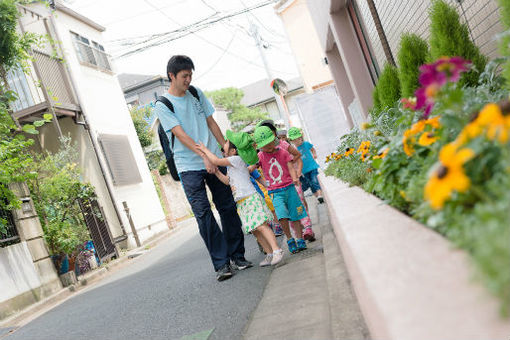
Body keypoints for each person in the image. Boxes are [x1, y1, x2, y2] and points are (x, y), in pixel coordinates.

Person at [155, 55, 251, 281]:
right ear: (172, 76)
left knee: (227, 206)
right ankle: (221, 264)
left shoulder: (196, 93)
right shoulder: (163, 105)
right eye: (184, 76)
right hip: (188, 166)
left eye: (190, 75)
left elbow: (211, 122)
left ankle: (237, 255)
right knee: (203, 214)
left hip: (215, 158)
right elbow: (180, 134)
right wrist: (203, 156)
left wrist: (223, 146)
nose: (188, 79)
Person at [196, 131, 284, 267]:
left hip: (250, 198)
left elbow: (215, 161)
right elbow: (227, 181)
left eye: (226, 144)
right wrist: (218, 172)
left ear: (233, 150)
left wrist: (204, 151)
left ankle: (277, 250)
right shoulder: (232, 165)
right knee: (255, 229)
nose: (223, 144)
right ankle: (269, 253)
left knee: (262, 226)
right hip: (242, 202)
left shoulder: (235, 160)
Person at [253, 125, 308, 254]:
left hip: (289, 188)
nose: (268, 147)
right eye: (264, 146)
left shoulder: (282, 151)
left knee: (295, 214)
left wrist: (295, 177)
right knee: (282, 216)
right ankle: (289, 239)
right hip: (275, 192)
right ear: (260, 146)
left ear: (274, 139)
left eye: (269, 143)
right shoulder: (260, 156)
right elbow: (253, 167)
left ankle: (299, 239)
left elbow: (290, 165)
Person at [288, 127, 324, 204]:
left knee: (314, 180)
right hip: (304, 170)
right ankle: (318, 196)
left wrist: (314, 154)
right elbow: (295, 161)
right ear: (292, 141)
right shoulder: (294, 150)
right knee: (310, 184)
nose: (296, 141)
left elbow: (312, 149)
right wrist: (298, 171)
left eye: (298, 139)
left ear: (300, 137)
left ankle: (320, 194)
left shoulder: (306, 144)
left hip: (312, 166)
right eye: (294, 140)